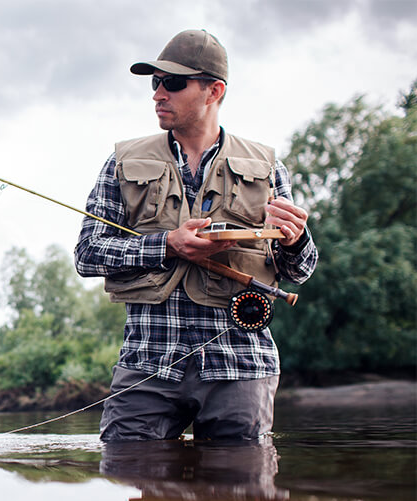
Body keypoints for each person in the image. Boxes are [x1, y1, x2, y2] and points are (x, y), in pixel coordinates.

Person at [74, 30, 318, 441]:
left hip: (241, 365)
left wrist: (296, 240)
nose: (157, 94)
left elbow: (300, 270)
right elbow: (87, 254)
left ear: (213, 91)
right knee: (131, 478)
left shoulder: (268, 166)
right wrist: (168, 244)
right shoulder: (121, 162)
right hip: (147, 365)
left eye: (172, 83)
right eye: (155, 83)